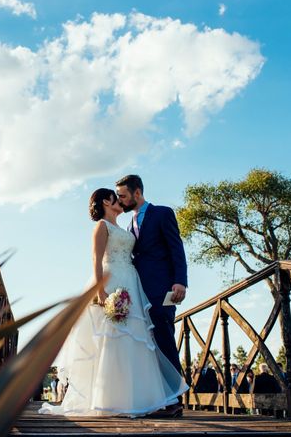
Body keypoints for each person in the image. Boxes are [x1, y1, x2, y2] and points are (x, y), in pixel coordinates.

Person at [39, 188, 188, 417]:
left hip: (131, 282)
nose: (119, 201)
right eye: (115, 197)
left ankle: (134, 398)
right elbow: (96, 260)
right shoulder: (101, 226)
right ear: (106, 201)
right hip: (112, 282)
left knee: (134, 340)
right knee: (112, 339)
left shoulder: (124, 228)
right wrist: (101, 293)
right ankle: (108, 399)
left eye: (121, 196)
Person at [116, 175, 188, 417]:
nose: (120, 200)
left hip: (163, 289)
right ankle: (158, 398)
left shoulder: (163, 213)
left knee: (164, 339)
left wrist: (180, 281)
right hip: (139, 292)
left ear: (137, 193)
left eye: (123, 196)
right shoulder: (128, 225)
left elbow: (176, 248)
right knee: (148, 345)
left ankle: (176, 400)